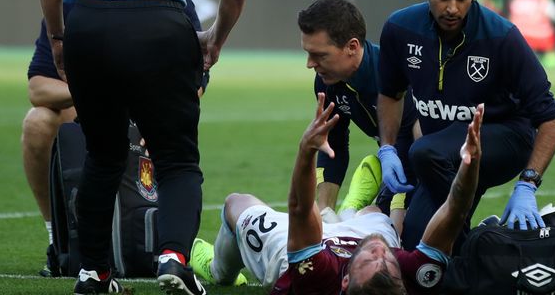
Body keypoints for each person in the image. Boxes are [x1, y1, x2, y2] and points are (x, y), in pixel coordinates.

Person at [37, 0, 247, 292]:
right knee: (177, 160)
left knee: (103, 157)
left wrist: (59, 38)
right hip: (162, 28)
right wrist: (214, 40)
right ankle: (173, 258)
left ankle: (93, 272)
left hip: (90, 29)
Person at [23, 0, 209, 276]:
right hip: (93, 113)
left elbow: (197, 78)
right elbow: (38, 88)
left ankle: (152, 246)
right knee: (37, 122)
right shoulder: (68, 3)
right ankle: (60, 239)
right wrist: (97, 91)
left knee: (160, 145)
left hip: (149, 114)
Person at [189, 93, 484, 294]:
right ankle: (353, 208)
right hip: (354, 239)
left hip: (299, 250)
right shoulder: (413, 277)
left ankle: (216, 269)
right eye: (389, 263)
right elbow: (455, 212)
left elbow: (301, 209)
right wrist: (469, 165)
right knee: (374, 215)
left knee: (236, 203)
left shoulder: (317, 276)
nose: (381, 253)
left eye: (370, 261)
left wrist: (307, 151)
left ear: (345, 281)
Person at [376, 0, 555, 250]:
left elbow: (551, 121)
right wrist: (387, 148)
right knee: (418, 248)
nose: (453, 8)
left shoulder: (502, 37)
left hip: (503, 140)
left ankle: (467, 250)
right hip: (446, 155)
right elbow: (389, 94)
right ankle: (479, 242)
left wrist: (528, 183)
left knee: (423, 152)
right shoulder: (400, 29)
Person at [297, 0, 420, 230]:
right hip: (398, 158)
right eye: (308, 53)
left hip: (432, 168)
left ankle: (353, 205)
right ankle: (348, 208)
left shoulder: (392, 75)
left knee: (389, 234)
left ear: (352, 47)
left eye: (320, 55)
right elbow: (333, 144)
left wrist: (398, 218)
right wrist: (324, 214)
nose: (310, 64)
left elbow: (415, 152)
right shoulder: (325, 82)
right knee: (352, 227)